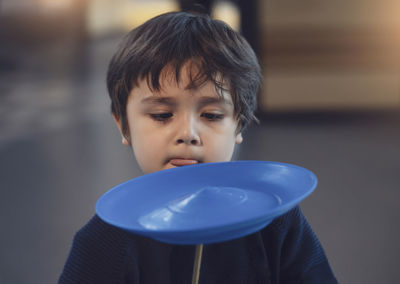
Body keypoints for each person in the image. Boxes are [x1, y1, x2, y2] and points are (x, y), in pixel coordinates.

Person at [59, 12, 337, 284]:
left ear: (238, 126)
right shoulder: (104, 242)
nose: (188, 134)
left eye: (212, 116)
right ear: (123, 126)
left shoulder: (276, 221)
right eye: (161, 115)